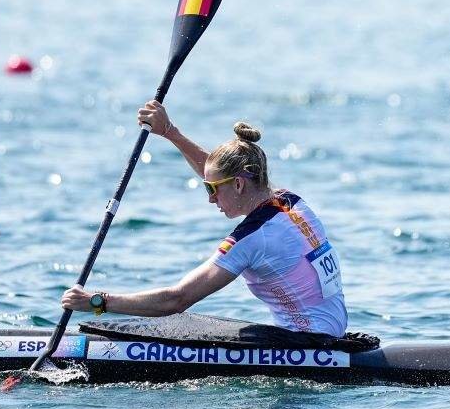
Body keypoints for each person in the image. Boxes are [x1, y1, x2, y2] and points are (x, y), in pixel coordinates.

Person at [61, 101, 347, 337]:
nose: (210, 199)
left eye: (211, 189)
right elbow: (219, 170)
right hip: (329, 333)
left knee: (174, 322)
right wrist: (170, 132)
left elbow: (177, 300)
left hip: (307, 345)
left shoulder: (252, 239)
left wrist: (97, 302)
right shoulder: (292, 202)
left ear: (238, 185)